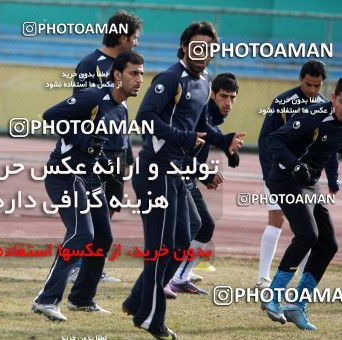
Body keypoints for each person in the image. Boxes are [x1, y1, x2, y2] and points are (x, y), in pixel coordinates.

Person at [121, 22, 241, 339]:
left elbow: (202, 126)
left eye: (208, 47)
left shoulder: (204, 83)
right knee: (161, 246)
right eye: (196, 45)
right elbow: (145, 119)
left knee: (187, 232)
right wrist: (183, 137)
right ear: (185, 46)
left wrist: (223, 139)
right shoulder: (170, 79)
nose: (202, 52)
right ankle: (151, 317)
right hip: (155, 170)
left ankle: (138, 300)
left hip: (176, 170)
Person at [32, 51, 144, 322]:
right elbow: (51, 116)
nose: (139, 79)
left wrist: (106, 165)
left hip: (89, 177)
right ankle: (46, 300)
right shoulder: (93, 96)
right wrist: (82, 139)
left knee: (103, 237)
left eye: (142, 73)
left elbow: (97, 147)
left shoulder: (120, 109)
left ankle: (81, 298)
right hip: (64, 173)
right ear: (117, 75)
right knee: (82, 233)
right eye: (133, 73)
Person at [68, 10, 143, 284]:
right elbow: (79, 110)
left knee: (110, 206)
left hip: (117, 151)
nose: (136, 43)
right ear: (122, 36)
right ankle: (74, 265)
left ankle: (91, 266)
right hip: (93, 152)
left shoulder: (126, 65)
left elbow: (120, 109)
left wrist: (127, 149)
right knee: (86, 210)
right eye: (134, 38)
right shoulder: (90, 64)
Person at [262, 78, 342, 330]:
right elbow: (274, 139)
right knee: (308, 235)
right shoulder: (313, 115)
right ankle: (273, 296)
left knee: (328, 244)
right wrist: (295, 165)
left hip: (310, 184)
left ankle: (297, 304)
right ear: (333, 97)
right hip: (286, 178)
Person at [164, 73, 242, 296]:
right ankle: (169, 277)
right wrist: (205, 174)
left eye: (232, 98)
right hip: (172, 175)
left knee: (201, 226)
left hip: (185, 176)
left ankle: (179, 275)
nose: (228, 103)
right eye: (223, 96)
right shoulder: (202, 114)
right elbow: (183, 155)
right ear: (212, 95)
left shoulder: (213, 118)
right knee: (191, 227)